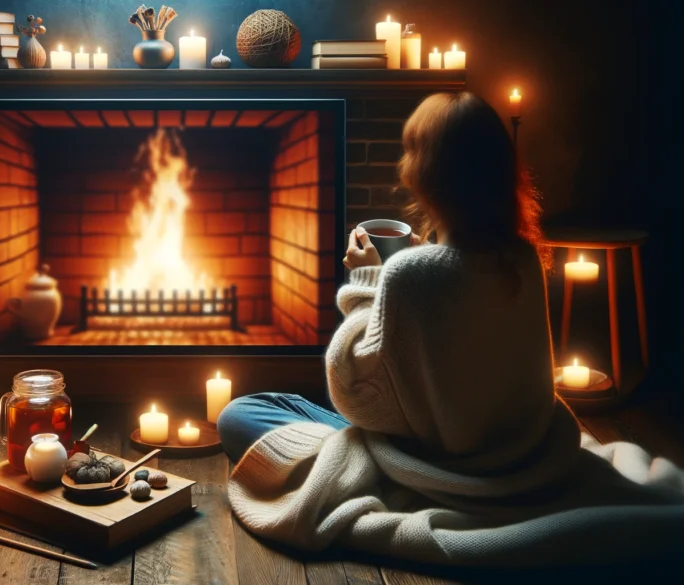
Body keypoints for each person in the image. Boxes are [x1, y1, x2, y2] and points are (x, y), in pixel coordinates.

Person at [218, 91, 551, 463]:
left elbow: (357, 399)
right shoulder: (522, 258)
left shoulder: (409, 273)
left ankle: (367, 475)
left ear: (428, 174)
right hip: (511, 456)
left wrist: (366, 280)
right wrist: (413, 266)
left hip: (421, 461)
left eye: (411, 151)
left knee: (239, 415)